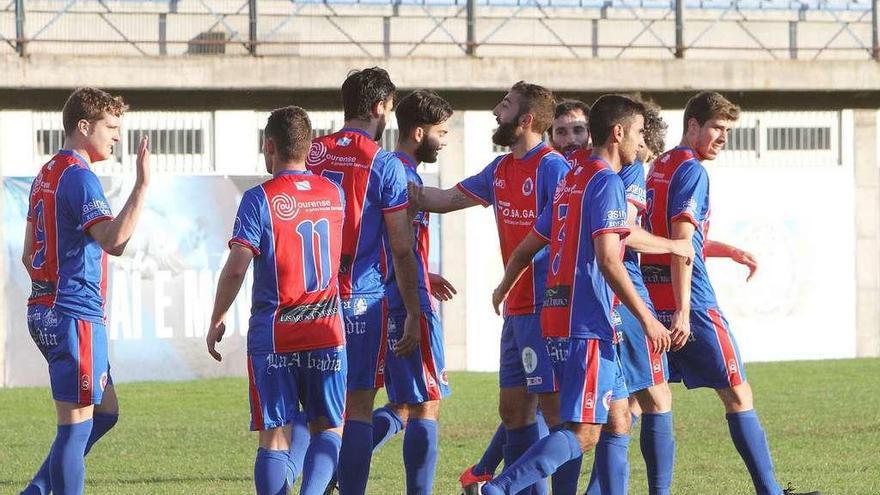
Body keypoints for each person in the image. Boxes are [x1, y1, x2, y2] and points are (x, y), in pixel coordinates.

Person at [480, 94, 671, 495]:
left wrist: (504, 284)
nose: (642, 141)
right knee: (583, 432)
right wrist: (648, 319)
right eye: (638, 132)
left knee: (618, 417)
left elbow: (530, 243)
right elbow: (609, 260)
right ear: (618, 133)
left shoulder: (572, 177)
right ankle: (498, 488)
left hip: (560, 315)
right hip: (586, 321)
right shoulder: (605, 181)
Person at [640, 91, 819, 495]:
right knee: (738, 392)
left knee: (642, 403)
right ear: (693, 126)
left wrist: (727, 250)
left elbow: (668, 237)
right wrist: (684, 310)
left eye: (727, 130)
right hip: (693, 304)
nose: (723, 137)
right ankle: (769, 492)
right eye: (717, 128)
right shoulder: (692, 172)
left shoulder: (659, 166)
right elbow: (682, 242)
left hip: (650, 300)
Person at [409, 81, 570, 495]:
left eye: (506, 105)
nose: (497, 112)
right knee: (514, 412)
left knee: (556, 415)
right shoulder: (499, 169)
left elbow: (560, 239)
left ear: (527, 119)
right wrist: (395, 187)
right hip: (516, 309)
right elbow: (444, 198)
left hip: (546, 308)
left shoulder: (552, 168)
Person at [207, 106, 347, 495]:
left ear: (270, 146)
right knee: (329, 427)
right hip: (326, 330)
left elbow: (236, 268)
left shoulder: (259, 198)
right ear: (309, 147)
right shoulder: (333, 193)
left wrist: (217, 316)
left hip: (276, 333)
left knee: (274, 437)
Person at [21, 87, 150, 495]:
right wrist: (142, 186)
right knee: (74, 430)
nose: (117, 136)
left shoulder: (47, 173)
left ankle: (38, 490)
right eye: (111, 127)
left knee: (105, 412)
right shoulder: (79, 177)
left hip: (46, 308)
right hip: (73, 313)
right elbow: (114, 241)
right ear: (84, 126)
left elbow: (28, 255)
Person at [306, 67, 423, 495]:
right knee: (356, 408)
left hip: (308, 298)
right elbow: (401, 247)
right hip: (359, 300)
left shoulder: (312, 152)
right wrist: (412, 310)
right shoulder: (384, 164)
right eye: (390, 107)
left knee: (316, 414)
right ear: (379, 107)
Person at [366, 89, 455, 494]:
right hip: (405, 303)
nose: (446, 139)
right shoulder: (402, 175)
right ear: (419, 133)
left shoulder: (390, 171)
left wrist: (425, 274)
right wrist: (418, 304)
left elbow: (390, 243)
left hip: (391, 296)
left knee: (402, 405)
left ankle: (342, 460)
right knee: (426, 404)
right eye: (442, 131)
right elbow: (399, 247)